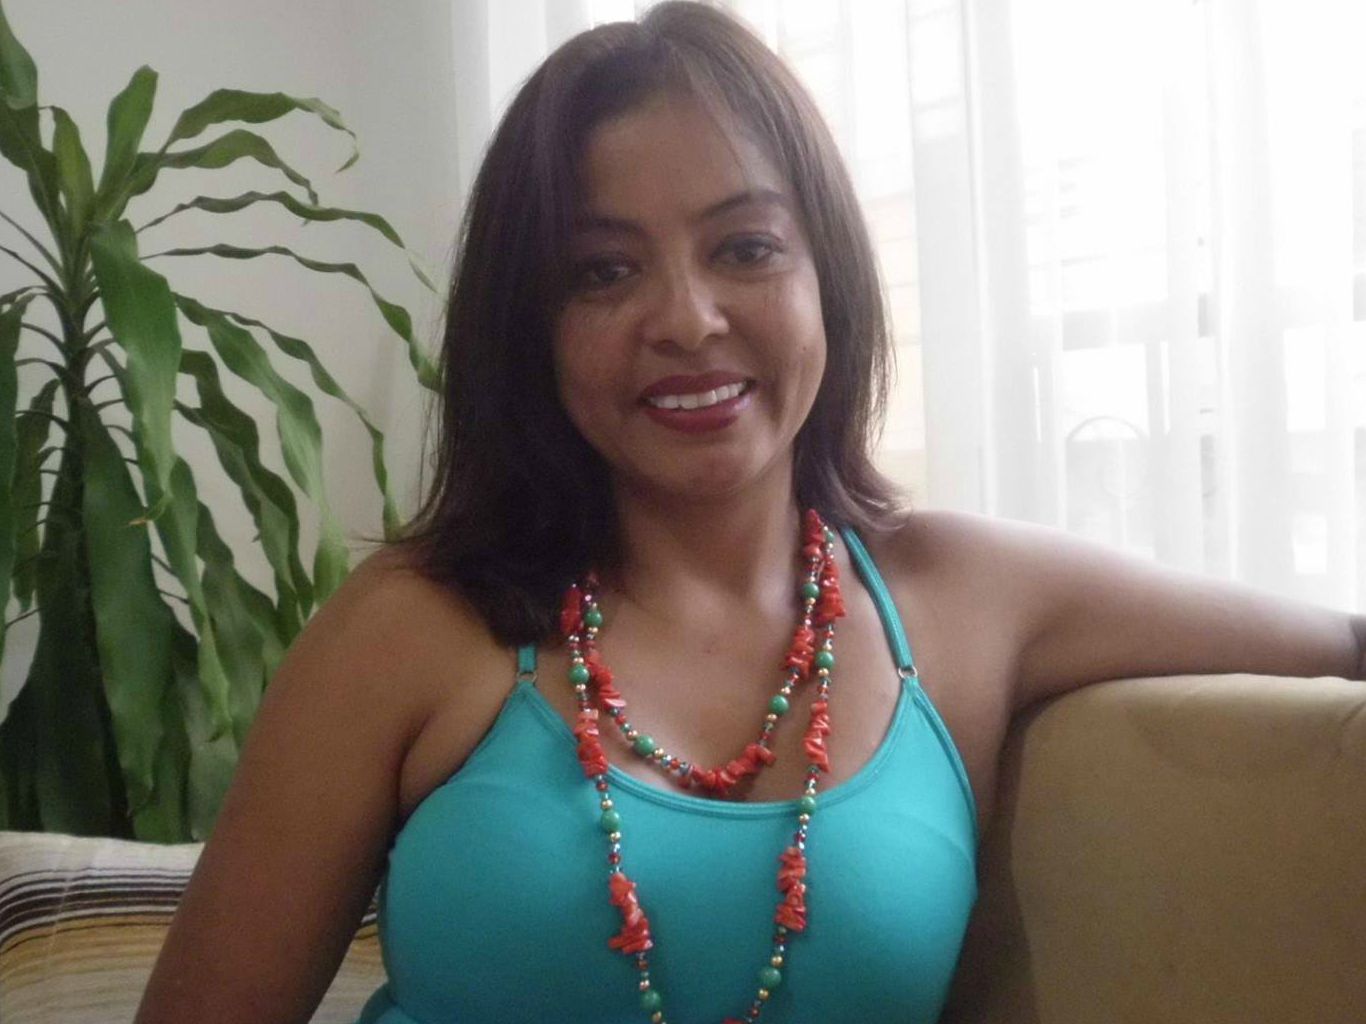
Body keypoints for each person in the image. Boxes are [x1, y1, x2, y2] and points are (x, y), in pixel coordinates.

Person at [133, 4, 1364, 1023]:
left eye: (746, 248)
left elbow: (1340, 644)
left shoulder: (962, 599)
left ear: (828, 275)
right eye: (602, 270)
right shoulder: (409, 625)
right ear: (529, 325)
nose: (685, 317)